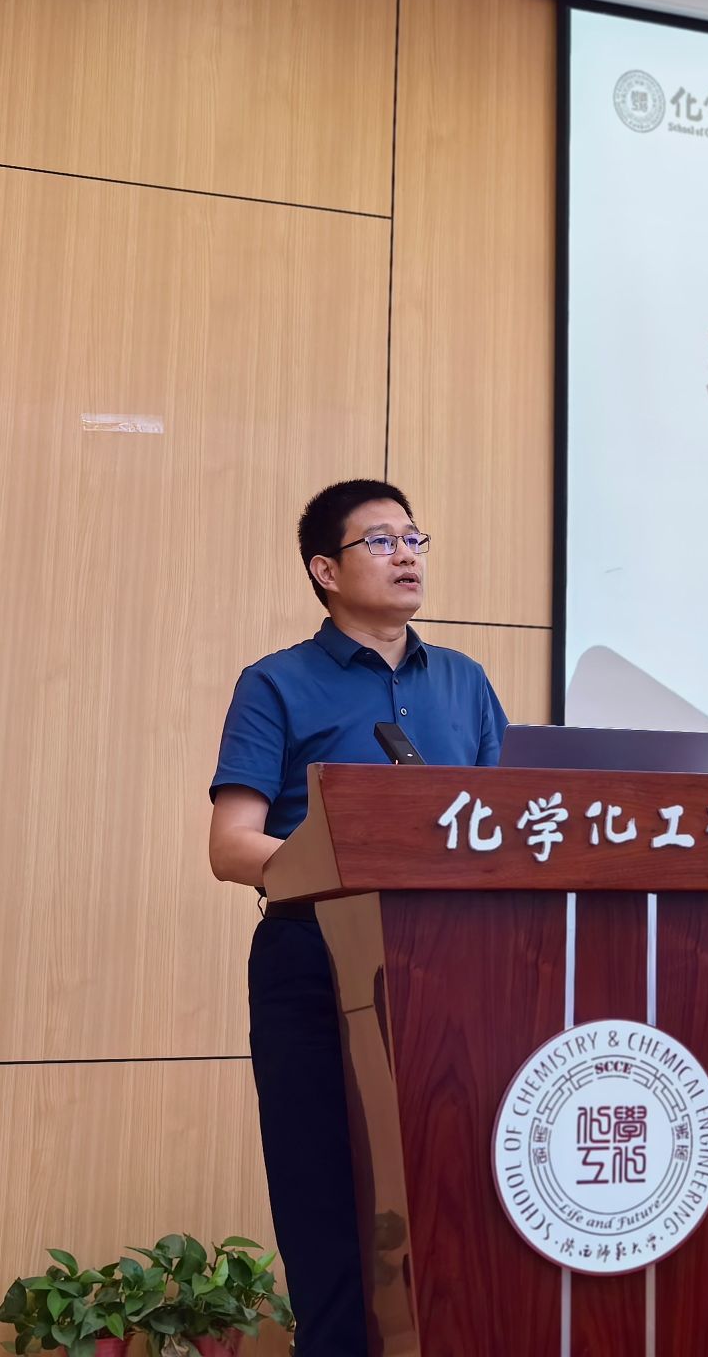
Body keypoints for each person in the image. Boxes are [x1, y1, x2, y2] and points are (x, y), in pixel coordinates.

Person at [208, 479, 508, 1356]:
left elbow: (504, 832)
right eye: (380, 541)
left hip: (449, 961)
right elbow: (232, 845)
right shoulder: (276, 683)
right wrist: (349, 857)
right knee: (325, 1191)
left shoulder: (465, 683)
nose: (406, 553)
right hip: (315, 958)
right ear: (326, 570)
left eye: (414, 537)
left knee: (455, 1184)